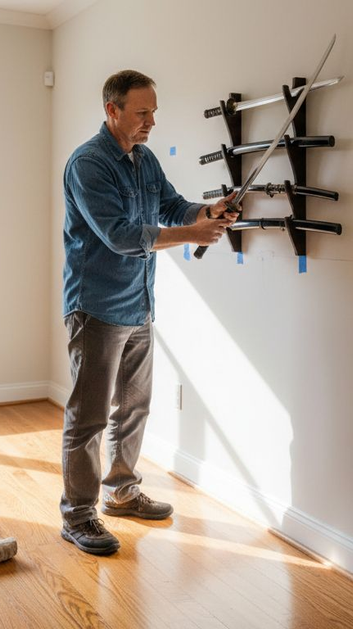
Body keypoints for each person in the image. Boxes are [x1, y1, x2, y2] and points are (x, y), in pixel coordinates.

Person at [59, 69, 238, 556]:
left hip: (139, 305)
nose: (151, 121)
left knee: (133, 408)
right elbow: (119, 235)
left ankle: (121, 491)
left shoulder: (146, 160)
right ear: (112, 111)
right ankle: (77, 514)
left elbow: (174, 206)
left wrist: (208, 211)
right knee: (89, 417)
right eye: (142, 112)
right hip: (95, 307)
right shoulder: (88, 165)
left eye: (154, 111)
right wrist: (192, 237)